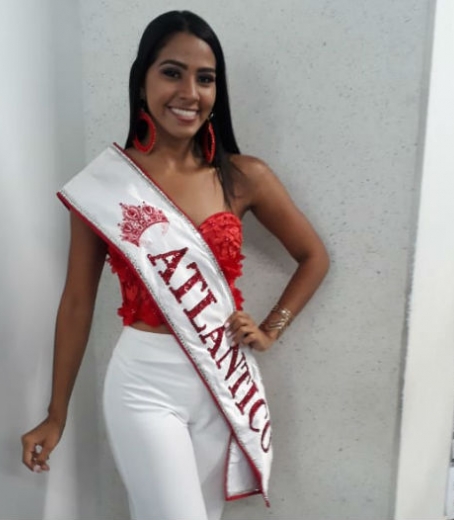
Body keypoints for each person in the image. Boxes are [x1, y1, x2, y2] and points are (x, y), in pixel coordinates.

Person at [20, 11, 329, 520]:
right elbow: (77, 301)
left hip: (221, 381)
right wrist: (57, 414)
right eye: (172, 72)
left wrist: (273, 327)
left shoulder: (243, 176)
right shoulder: (107, 187)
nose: (190, 91)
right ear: (141, 81)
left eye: (205, 78)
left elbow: (313, 257)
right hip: (144, 383)